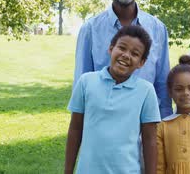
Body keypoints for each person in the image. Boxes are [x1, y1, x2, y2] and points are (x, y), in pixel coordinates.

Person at [74, 0, 172, 118]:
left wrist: (164, 123)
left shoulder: (157, 28)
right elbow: (81, 83)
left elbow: (162, 83)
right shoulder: (90, 29)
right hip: (102, 120)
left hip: (144, 123)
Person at [65, 25, 160, 174]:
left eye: (135, 54)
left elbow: (150, 140)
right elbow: (75, 129)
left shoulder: (146, 91)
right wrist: (68, 170)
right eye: (122, 48)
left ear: (141, 62)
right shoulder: (86, 82)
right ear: (111, 48)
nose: (126, 55)